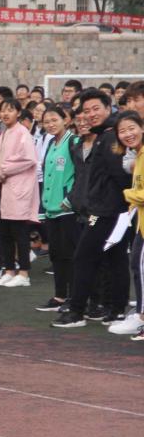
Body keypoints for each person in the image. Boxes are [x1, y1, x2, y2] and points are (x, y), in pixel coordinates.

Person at [53, 91, 134, 328]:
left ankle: (78, 311)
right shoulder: (103, 135)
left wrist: (119, 204)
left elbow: (119, 176)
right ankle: (115, 309)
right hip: (108, 208)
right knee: (115, 258)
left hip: (108, 211)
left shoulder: (109, 136)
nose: (90, 114)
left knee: (84, 257)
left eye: (95, 109)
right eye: (86, 111)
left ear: (109, 108)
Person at [0, 98, 39, 288]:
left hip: (18, 188)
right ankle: (9, 270)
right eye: (3, 110)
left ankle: (24, 272)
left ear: (18, 113)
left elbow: (29, 159)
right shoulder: (4, 133)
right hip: (4, 187)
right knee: (5, 232)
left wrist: (3, 169)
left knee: (19, 232)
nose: (5, 113)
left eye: (10, 110)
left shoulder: (22, 132)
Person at [37, 105, 76, 311]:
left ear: (65, 120)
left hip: (68, 209)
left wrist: (70, 198)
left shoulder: (73, 142)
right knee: (56, 254)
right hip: (51, 208)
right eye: (47, 121)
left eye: (54, 120)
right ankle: (60, 296)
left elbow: (80, 175)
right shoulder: (51, 142)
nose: (51, 124)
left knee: (69, 255)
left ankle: (73, 297)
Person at [115, 111, 143, 339]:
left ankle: (141, 317)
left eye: (131, 128)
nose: (127, 134)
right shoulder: (138, 155)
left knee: (138, 266)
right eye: (122, 131)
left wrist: (129, 195)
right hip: (141, 222)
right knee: (137, 264)